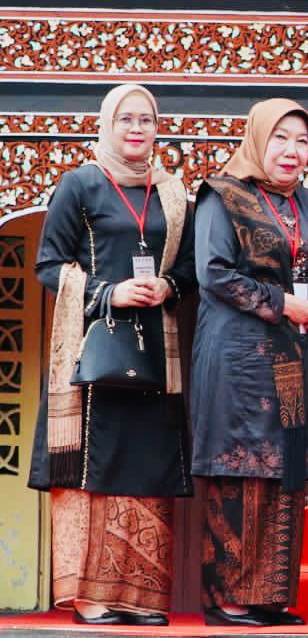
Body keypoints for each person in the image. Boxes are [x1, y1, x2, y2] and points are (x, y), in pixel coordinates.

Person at [31, 83, 196, 625]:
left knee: (146, 461)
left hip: (153, 347)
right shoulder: (80, 184)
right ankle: (91, 597)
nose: (136, 129)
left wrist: (167, 286)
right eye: (125, 118)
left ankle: (140, 595)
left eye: (146, 119)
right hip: (94, 349)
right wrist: (108, 292)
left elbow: (192, 269)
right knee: (93, 465)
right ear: (106, 123)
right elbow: (49, 264)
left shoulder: (171, 192)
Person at [191, 99, 308, 627]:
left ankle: (268, 595)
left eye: (301, 141)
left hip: (291, 357)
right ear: (257, 140)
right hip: (237, 359)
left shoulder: (305, 203)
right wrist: (282, 303)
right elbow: (215, 273)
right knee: (240, 472)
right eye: (281, 138)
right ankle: (226, 599)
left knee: (284, 474)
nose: (292, 151)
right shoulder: (223, 195)